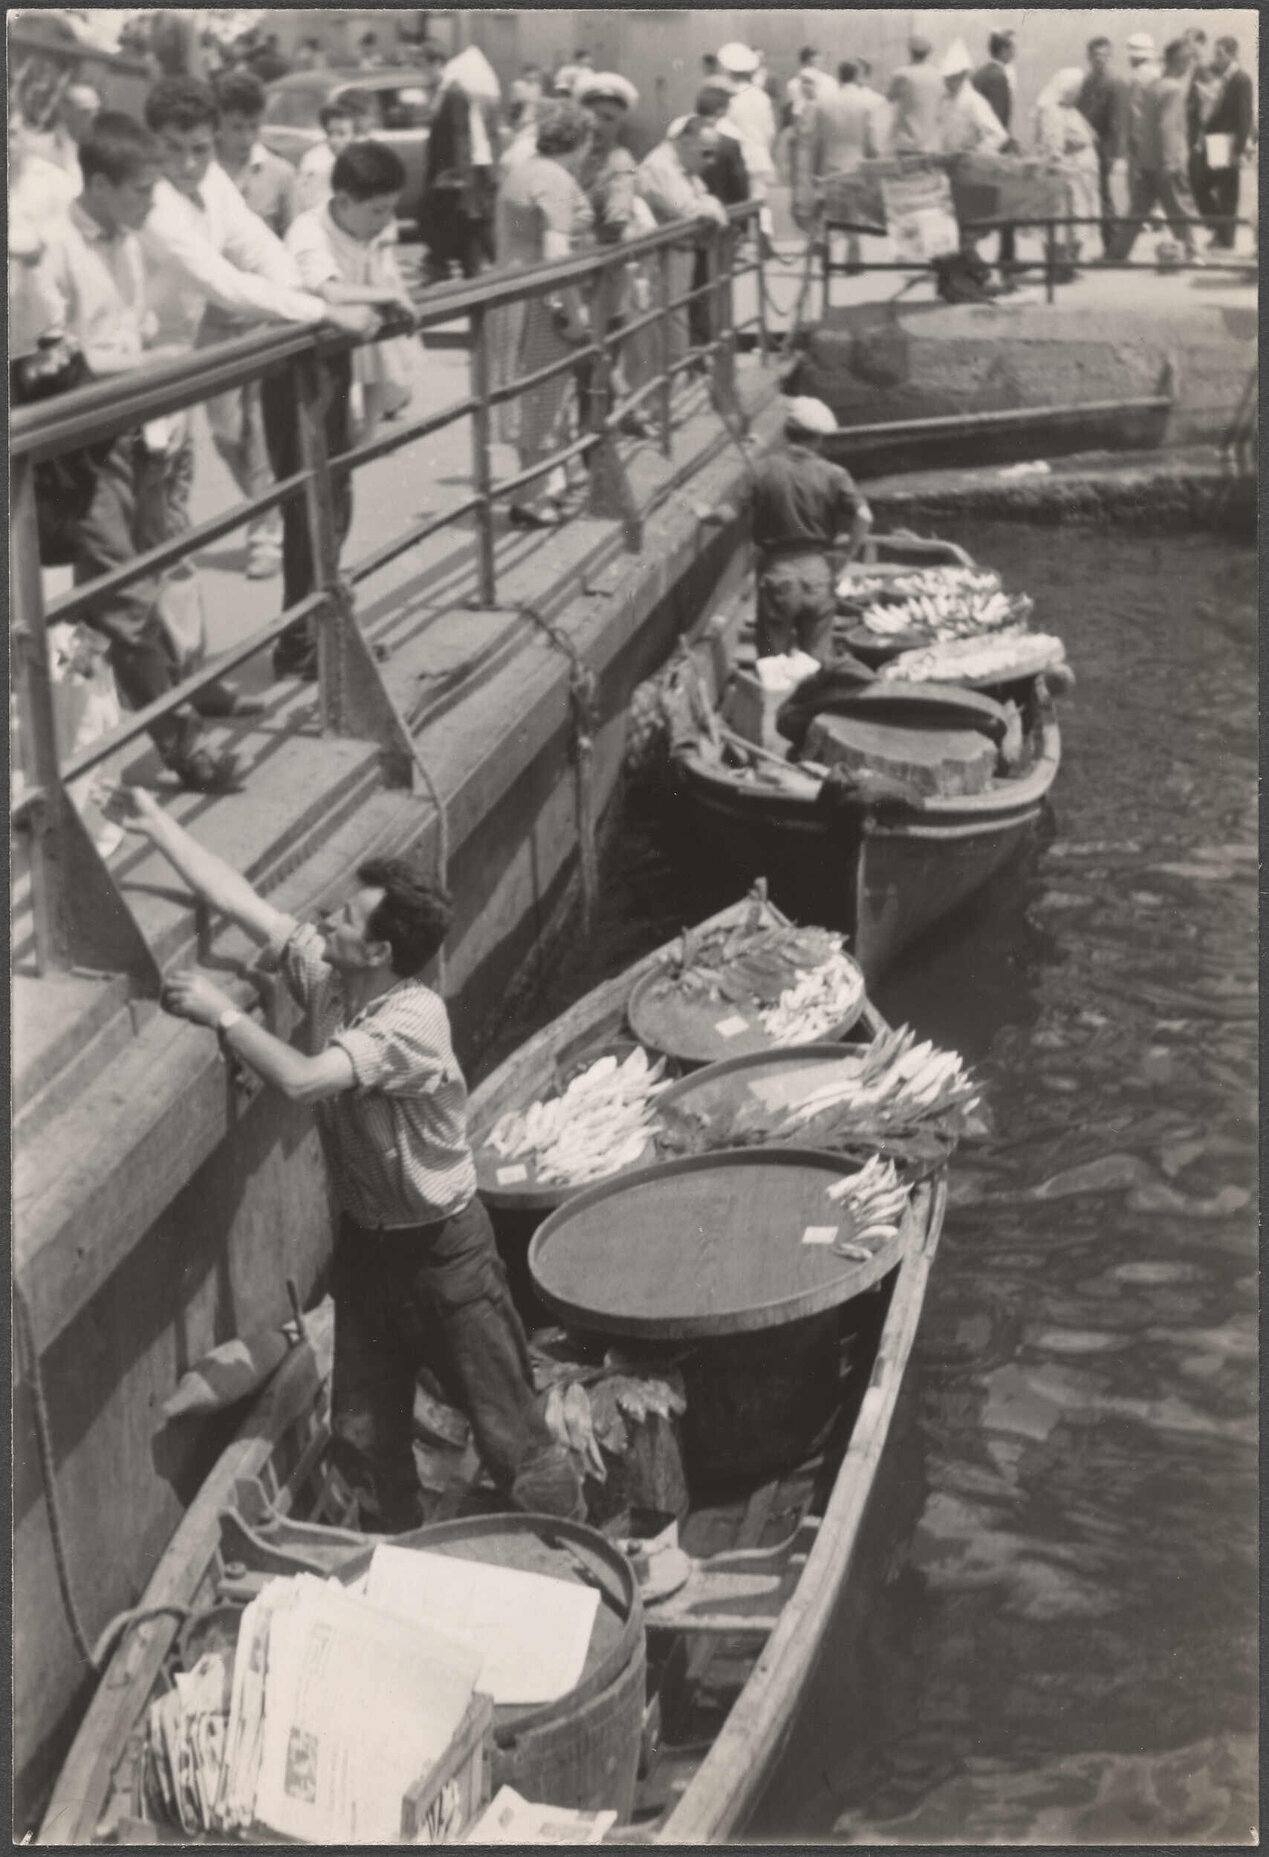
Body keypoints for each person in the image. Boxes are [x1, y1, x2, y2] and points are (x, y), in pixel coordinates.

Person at [104, 787, 585, 1531]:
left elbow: (302, 1081)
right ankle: (400, 1554)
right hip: (366, 1250)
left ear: (381, 950)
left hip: (445, 1258)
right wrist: (153, 822)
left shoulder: (413, 1019)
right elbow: (241, 900)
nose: (324, 919)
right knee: (361, 1439)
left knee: (511, 1434)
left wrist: (224, 1013)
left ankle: (574, 1555)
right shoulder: (332, 978)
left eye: (344, 917)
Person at [140, 77, 375, 683]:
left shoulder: (211, 179)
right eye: (173, 149)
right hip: (127, 393)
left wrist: (309, 290)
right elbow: (222, 282)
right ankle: (154, 709)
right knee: (132, 564)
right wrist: (322, 311)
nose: (189, 163)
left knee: (166, 545)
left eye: (199, 147)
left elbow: (256, 246)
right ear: (151, 145)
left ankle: (184, 688)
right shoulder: (155, 203)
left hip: (168, 387)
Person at [40, 113, 238, 792]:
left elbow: (130, 326)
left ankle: (98, 745)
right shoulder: (53, 248)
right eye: (141, 191)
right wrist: (146, 361)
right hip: (83, 451)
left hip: (137, 434)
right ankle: (185, 748)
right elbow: (55, 361)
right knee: (123, 602)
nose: (154, 204)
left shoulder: (125, 241)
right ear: (98, 183)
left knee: (140, 590)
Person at [205, 70, 297, 580]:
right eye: (235, 126)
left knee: (260, 433)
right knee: (225, 434)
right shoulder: (201, 174)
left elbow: (296, 238)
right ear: (218, 124)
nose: (244, 137)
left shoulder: (279, 174)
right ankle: (274, 508)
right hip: (214, 325)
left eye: (252, 126)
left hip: (262, 323)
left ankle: (265, 535)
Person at [491, 99, 594, 528]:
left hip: (513, 288)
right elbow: (556, 254)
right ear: (581, 141)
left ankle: (543, 484)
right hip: (538, 297)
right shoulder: (552, 178)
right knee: (542, 396)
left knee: (532, 395)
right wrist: (575, 311)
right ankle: (531, 496)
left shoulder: (527, 168)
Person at [287, 139, 415, 451]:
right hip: (302, 364)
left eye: (390, 210)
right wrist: (388, 295)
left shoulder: (366, 226)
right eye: (377, 211)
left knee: (340, 459)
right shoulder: (309, 232)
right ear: (343, 201)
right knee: (311, 460)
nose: (385, 220)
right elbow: (330, 291)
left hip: (342, 356)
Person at [751, 396, 872, 663]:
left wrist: (706, 513)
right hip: (817, 572)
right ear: (818, 439)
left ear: (785, 433)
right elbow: (864, 516)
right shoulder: (834, 473)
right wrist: (847, 554)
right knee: (813, 664)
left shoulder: (761, 470)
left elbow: (726, 514)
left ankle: (775, 701)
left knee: (772, 665)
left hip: (777, 572)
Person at [1114, 39, 1204, 264]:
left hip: (1148, 161)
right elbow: (1167, 128)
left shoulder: (1154, 86)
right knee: (1179, 207)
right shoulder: (1173, 89)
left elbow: (1144, 125)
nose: (1189, 65)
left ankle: (1116, 254)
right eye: (1188, 60)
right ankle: (1193, 253)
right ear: (1180, 61)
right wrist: (1171, 161)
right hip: (1167, 162)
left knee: (1137, 211)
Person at [418, 46, 501, 285]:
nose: (424, 74)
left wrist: (456, 175)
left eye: (424, 66)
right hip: (472, 175)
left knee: (474, 227)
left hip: (463, 177)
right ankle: (465, 270)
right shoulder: (456, 92)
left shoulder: (453, 93)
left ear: (435, 63)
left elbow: (460, 136)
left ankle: (442, 265)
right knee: (472, 230)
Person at [798, 62, 884, 269]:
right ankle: (853, 253)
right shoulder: (869, 102)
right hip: (857, 165)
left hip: (830, 165)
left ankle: (826, 249)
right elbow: (872, 141)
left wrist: (813, 170)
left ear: (840, 76)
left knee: (830, 210)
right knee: (853, 211)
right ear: (857, 76)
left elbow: (815, 140)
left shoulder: (823, 102)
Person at [1032, 68, 1101, 275]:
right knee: (1064, 220)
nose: (1080, 94)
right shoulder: (1053, 111)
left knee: (1077, 219)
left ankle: (1068, 264)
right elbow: (1054, 146)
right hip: (1068, 174)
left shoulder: (1068, 109)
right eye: (1077, 90)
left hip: (1081, 174)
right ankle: (1060, 267)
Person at [716, 42, 778, 247]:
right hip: (759, 154)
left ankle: (739, 242)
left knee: (737, 203)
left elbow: (723, 128)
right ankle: (764, 233)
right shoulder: (761, 96)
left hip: (736, 157)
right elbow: (770, 130)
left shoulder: (727, 97)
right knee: (760, 199)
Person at [1196, 38, 1252, 250]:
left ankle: (1226, 238)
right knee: (1203, 186)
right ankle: (1221, 231)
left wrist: (1238, 150)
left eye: (1220, 54)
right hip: (1215, 141)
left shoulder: (1241, 79)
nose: (1216, 58)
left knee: (1227, 192)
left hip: (1228, 142)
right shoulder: (1221, 78)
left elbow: (1244, 117)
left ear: (1232, 54)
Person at [1077, 37, 1128, 256]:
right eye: (1096, 56)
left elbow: (1118, 121)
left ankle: (1114, 247)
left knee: (1104, 197)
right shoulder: (1086, 82)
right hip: (1086, 148)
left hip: (1104, 147)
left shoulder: (1115, 82)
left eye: (1104, 56)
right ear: (1089, 57)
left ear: (1110, 57)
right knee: (1094, 195)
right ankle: (1111, 246)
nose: (1100, 60)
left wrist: (1114, 154)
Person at [973, 32, 1018, 270]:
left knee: (981, 202)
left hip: (979, 146)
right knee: (1006, 200)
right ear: (1002, 50)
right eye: (1012, 48)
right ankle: (1007, 256)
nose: (1015, 52)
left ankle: (979, 254)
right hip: (996, 146)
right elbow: (999, 116)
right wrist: (1006, 142)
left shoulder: (980, 74)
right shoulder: (998, 76)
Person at [936, 40, 1008, 156]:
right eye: (946, 78)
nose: (947, 82)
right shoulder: (944, 100)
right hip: (947, 161)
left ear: (962, 75)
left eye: (952, 78)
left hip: (968, 165)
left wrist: (976, 152)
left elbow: (998, 135)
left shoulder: (973, 101)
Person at [1122, 32, 1162, 207]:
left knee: (1137, 177)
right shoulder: (1158, 74)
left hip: (1141, 136)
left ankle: (1144, 216)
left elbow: (1135, 111)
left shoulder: (1136, 78)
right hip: (1157, 134)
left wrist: (1133, 138)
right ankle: (1157, 211)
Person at [886, 34, 944, 153]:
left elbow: (889, 98)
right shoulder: (938, 75)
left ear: (910, 51)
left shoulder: (902, 74)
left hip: (906, 142)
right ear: (928, 53)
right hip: (931, 144)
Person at [298, 100, 358, 213]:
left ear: (353, 134)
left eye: (341, 133)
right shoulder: (314, 161)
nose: (334, 140)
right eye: (330, 133)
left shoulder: (360, 161)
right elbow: (306, 201)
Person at [34, 80, 101, 174]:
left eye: (96, 111)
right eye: (85, 112)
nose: (93, 117)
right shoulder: (40, 146)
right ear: (65, 111)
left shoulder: (94, 153)